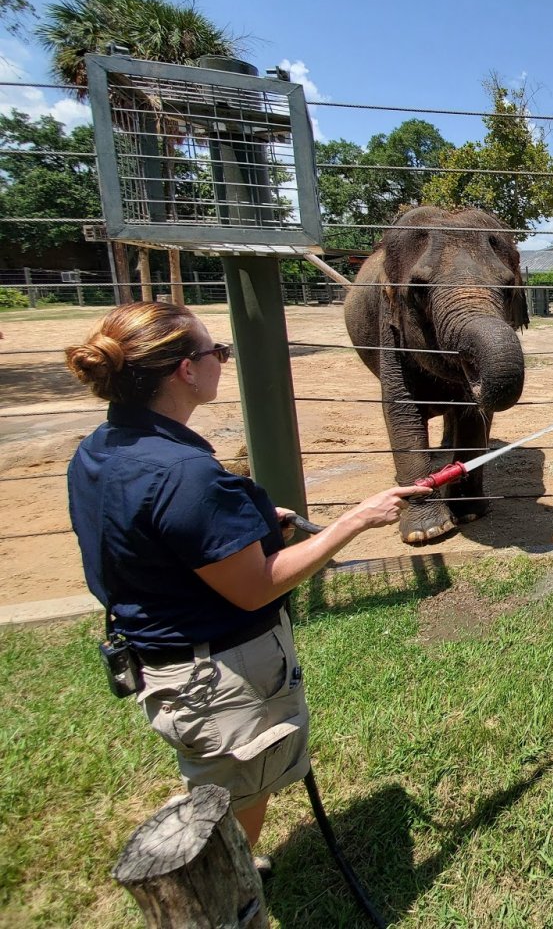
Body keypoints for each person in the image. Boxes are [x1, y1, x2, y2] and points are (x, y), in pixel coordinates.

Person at [65, 301, 427, 854]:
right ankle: (228, 894)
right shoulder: (184, 473)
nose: (222, 361)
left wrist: (244, 528)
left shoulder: (98, 450)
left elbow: (154, 542)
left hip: (165, 657)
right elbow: (257, 585)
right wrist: (356, 519)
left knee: (227, 782)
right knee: (233, 796)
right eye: (218, 352)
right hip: (215, 675)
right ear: (186, 369)